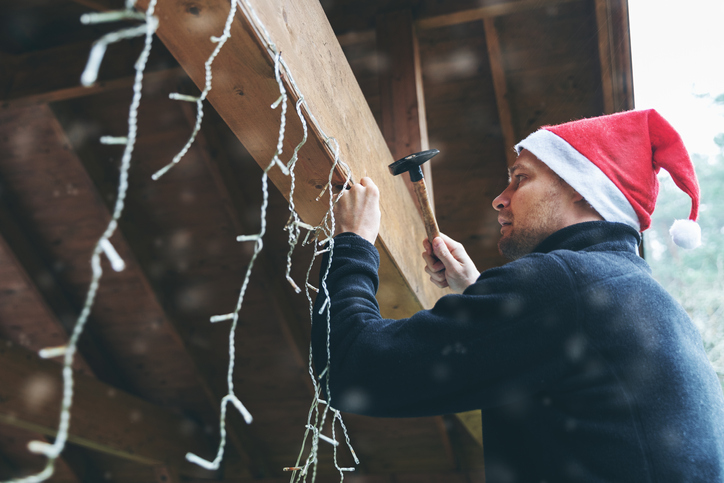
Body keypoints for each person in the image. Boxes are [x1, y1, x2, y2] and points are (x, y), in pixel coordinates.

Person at [311, 109, 724, 482]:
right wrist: (477, 294)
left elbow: (349, 368)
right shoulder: (639, 295)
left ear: (583, 189)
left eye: (520, 178)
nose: (500, 199)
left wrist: (353, 241)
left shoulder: (562, 284)